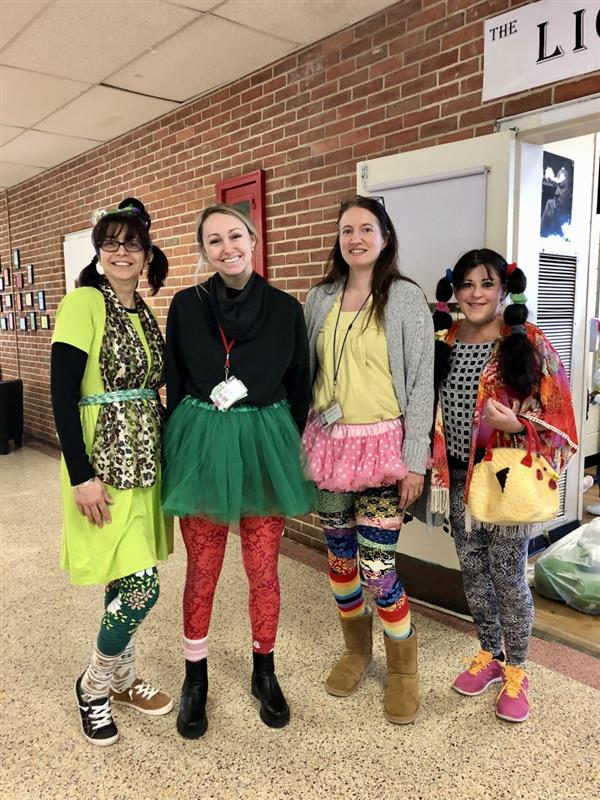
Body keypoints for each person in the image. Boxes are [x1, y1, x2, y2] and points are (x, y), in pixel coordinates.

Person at [162, 203, 314, 738]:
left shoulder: (285, 308)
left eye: (234, 236)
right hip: (202, 446)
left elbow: (300, 385)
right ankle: (195, 678)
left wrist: (281, 441)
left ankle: (264, 671)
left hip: (264, 447)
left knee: (263, 570)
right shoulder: (185, 305)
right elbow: (176, 381)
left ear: (253, 239)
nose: (226, 248)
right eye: (213, 241)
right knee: (201, 570)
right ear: (203, 250)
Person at [302, 195, 434, 724]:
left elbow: (423, 382)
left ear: (384, 237)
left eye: (366, 228)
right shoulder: (319, 297)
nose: (355, 238)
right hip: (330, 445)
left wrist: (416, 459)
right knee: (339, 560)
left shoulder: (404, 298)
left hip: (384, 449)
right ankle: (357, 650)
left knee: (378, 568)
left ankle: (403, 668)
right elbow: (303, 371)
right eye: (346, 229)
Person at [430, 248, 578, 723]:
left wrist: (517, 427)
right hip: (456, 478)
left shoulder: (527, 340)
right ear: (455, 290)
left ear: (503, 288)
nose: (475, 293)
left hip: (506, 477)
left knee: (508, 575)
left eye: (486, 283)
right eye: (467, 284)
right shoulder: (445, 336)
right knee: (472, 571)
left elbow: (557, 411)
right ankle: (489, 655)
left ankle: (517, 670)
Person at [50, 198, 173, 746]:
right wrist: (81, 474)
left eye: (132, 243)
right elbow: (60, 393)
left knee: (128, 576)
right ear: (99, 253)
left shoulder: (142, 309)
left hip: (145, 459)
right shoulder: (84, 303)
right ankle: (94, 685)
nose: (121, 252)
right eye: (111, 242)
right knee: (143, 586)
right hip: (103, 461)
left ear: (146, 254)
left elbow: (152, 388)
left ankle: (123, 677)